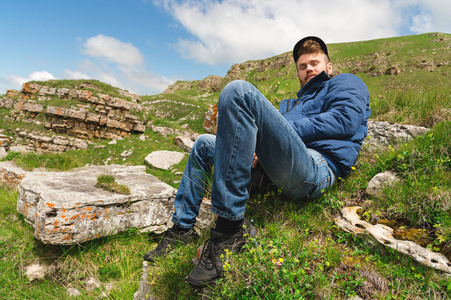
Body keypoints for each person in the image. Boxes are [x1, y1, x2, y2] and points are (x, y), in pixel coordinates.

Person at [144, 36, 371, 288]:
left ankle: (229, 231)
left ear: (328, 67)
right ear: (297, 72)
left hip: (317, 167)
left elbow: (344, 120)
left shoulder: (345, 82)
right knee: (203, 144)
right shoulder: (291, 105)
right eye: (302, 66)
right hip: (281, 167)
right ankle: (181, 229)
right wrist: (254, 146)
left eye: (315, 63)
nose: (309, 69)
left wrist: (272, 135)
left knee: (239, 91)